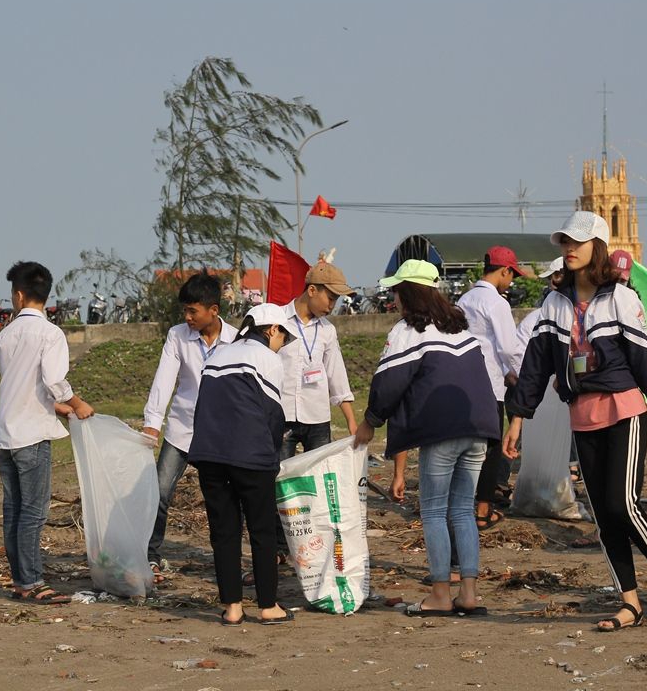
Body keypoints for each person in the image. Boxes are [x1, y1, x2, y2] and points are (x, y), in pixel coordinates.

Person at [503, 210, 647, 631]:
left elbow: (645, 364)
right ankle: (630, 602)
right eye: (564, 242)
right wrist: (518, 418)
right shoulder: (553, 303)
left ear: (596, 247)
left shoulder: (621, 298)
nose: (568, 248)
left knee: (622, 503)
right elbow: (534, 367)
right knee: (603, 515)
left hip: (624, 411)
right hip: (581, 415)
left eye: (577, 242)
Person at [354, 259, 498, 617]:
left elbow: (388, 383)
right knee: (463, 510)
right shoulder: (460, 328)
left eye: (396, 292)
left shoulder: (408, 331)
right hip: (479, 428)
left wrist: (371, 421)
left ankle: (438, 594)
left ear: (408, 294)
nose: (393, 299)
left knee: (434, 511)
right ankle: (469, 594)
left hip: (444, 431)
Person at [0, 261, 93, 604]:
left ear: (19, 296)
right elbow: (52, 381)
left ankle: (21, 580)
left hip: (6, 433)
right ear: (44, 296)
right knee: (34, 512)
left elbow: (22, 385)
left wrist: (60, 407)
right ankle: (32, 581)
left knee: (14, 510)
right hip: (32, 435)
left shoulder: (4, 336)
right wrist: (77, 403)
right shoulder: (50, 334)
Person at [189, 303, 294, 626]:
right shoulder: (267, 359)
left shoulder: (217, 355)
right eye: (283, 336)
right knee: (261, 529)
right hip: (250, 455)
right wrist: (273, 453)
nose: (282, 344)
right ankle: (267, 605)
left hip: (208, 453)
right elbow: (274, 415)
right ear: (272, 330)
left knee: (224, 531)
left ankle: (232, 607)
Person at [142, 271, 239, 582]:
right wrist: (152, 424)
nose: (187, 317)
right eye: (184, 310)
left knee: (225, 500)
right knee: (157, 492)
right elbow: (164, 379)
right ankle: (149, 555)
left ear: (213, 310)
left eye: (192, 311)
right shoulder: (177, 336)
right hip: (181, 430)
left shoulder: (236, 341)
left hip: (222, 434)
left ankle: (227, 559)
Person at [456, 246, 529, 531]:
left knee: (466, 448)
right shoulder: (497, 303)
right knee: (492, 447)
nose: (511, 281)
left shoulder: (465, 299)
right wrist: (516, 375)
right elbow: (509, 348)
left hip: (463, 381)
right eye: (512, 275)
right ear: (504, 271)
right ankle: (482, 511)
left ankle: (462, 506)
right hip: (490, 383)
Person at [277, 262, 360, 459]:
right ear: (312, 290)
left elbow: (336, 374)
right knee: (279, 477)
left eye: (336, 301)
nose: (332, 306)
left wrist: (351, 421)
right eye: (330, 299)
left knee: (320, 476)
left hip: (317, 417)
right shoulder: (277, 320)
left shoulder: (327, 330)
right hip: (281, 415)